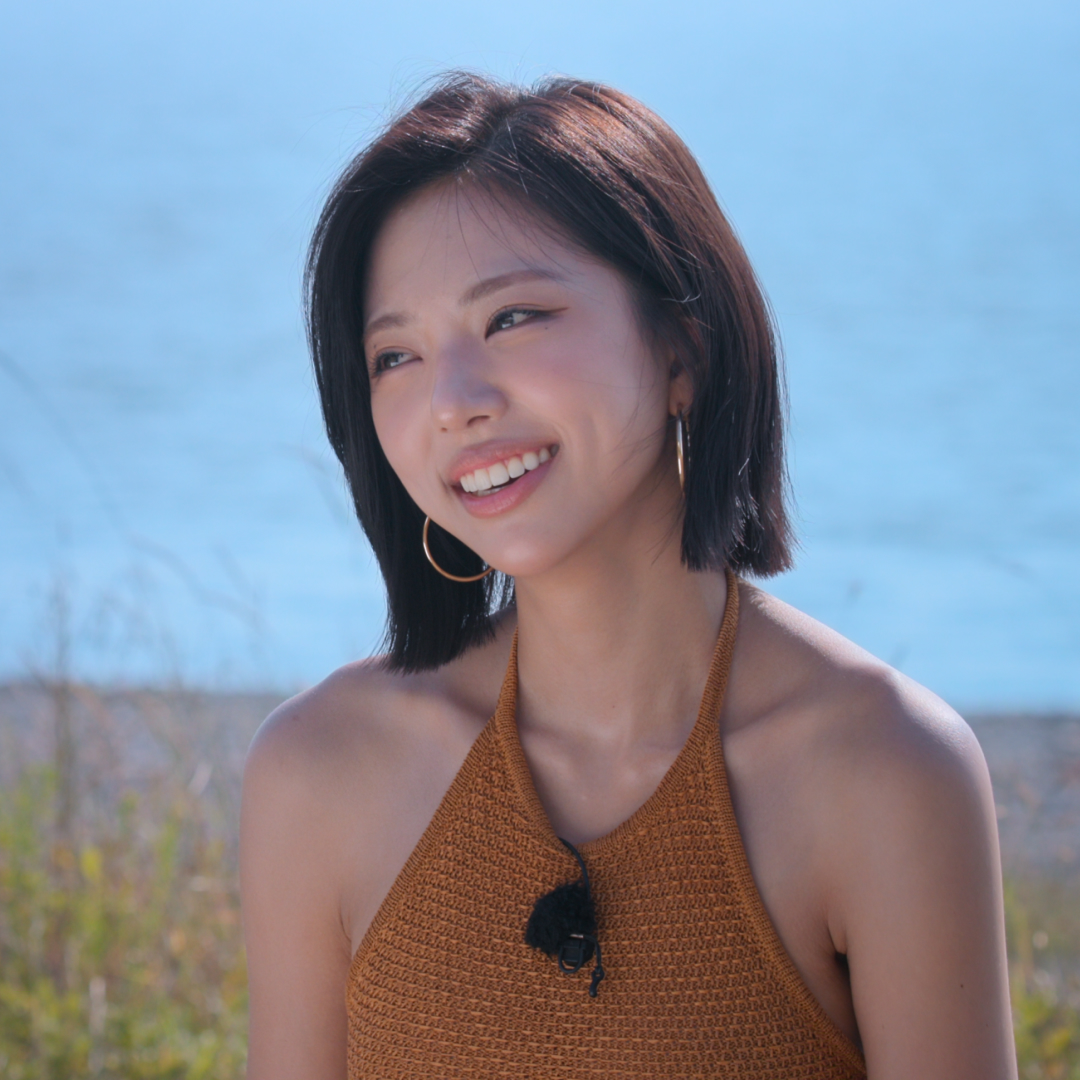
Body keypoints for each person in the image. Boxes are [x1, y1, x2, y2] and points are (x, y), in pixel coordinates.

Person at [239, 74, 1016, 1079]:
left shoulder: (887, 772)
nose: (454, 401)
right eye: (397, 356)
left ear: (681, 349)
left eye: (514, 318)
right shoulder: (318, 771)